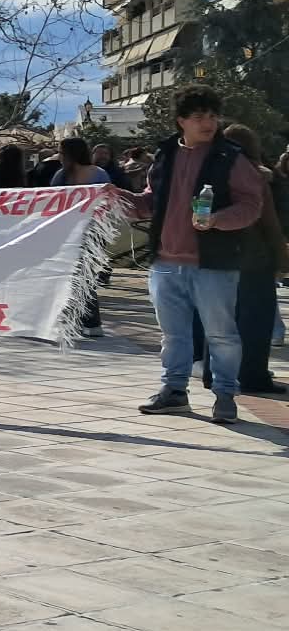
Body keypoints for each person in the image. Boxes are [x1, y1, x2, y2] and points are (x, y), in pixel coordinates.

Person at [121, 86, 265, 424]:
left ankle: (226, 394)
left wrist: (217, 220)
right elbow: (152, 199)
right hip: (165, 262)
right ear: (181, 121)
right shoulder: (166, 155)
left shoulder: (230, 156)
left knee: (221, 334)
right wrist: (121, 201)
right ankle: (174, 391)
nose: (208, 123)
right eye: (199, 117)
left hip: (213, 263)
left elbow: (251, 205)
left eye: (213, 116)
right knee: (173, 334)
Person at [218, 125, 287, 396]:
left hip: (218, 256)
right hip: (255, 257)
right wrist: (282, 259)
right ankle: (253, 374)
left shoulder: (214, 172)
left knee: (221, 320)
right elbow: (269, 222)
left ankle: (218, 373)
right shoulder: (258, 175)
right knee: (256, 320)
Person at [51, 136, 114, 339]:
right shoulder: (64, 175)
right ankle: (81, 320)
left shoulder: (93, 175)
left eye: (61, 152)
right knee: (77, 277)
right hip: (77, 233)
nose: (59, 156)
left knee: (82, 277)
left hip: (87, 232)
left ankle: (89, 321)